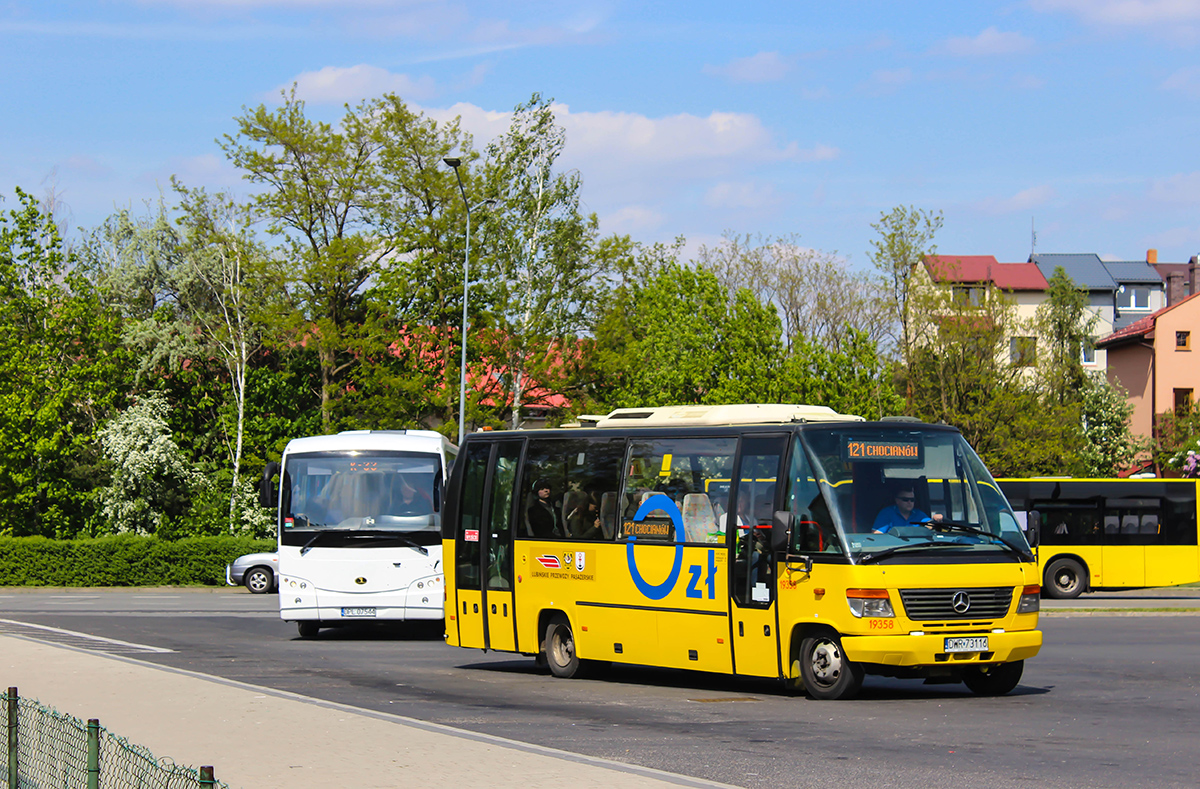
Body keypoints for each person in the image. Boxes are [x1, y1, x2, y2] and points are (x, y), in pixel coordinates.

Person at [873, 485, 942, 533]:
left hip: (915, 550)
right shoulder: (886, 513)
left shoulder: (919, 514)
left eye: (912, 500)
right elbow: (876, 535)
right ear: (897, 500)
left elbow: (929, 525)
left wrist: (936, 519)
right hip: (893, 551)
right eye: (905, 499)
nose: (909, 502)